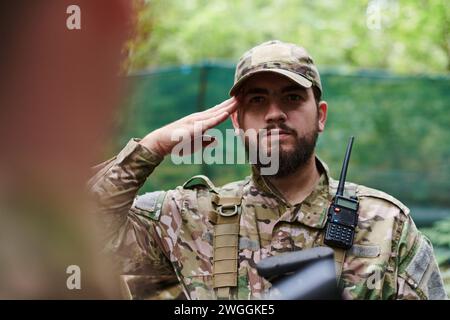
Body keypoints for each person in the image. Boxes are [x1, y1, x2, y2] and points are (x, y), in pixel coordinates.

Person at [89, 40, 447, 300]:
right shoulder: (187, 217)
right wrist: (151, 148)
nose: (275, 112)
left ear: (320, 115)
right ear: (238, 120)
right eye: (257, 100)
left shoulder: (386, 224)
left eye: (292, 97)